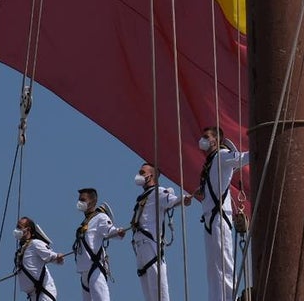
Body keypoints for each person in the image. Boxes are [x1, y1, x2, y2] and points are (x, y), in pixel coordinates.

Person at [183, 126, 249, 301]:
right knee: (213, 267)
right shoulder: (212, 161)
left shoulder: (221, 156)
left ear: (215, 140)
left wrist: (261, 147)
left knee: (224, 262)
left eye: (206, 136)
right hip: (210, 219)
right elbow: (212, 185)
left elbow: (243, 158)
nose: (202, 139)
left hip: (219, 217)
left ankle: (230, 298)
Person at [127, 162, 179, 301]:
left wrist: (184, 200)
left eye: (142, 172)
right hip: (139, 246)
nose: (139, 175)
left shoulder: (159, 192)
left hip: (151, 244)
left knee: (158, 289)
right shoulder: (143, 198)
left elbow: (172, 200)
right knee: (148, 292)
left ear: (151, 176)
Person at [73, 188, 124, 301]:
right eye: (79, 199)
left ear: (92, 202)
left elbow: (110, 230)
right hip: (84, 271)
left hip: (95, 269)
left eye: (82, 199)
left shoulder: (100, 217)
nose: (79, 202)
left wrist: (117, 232)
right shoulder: (85, 223)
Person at [14, 216, 63, 301]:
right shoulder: (21, 250)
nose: (16, 230)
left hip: (44, 291)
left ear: (27, 229)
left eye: (19, 227)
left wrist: (57, 257)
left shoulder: (35, 243)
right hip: (33, 295)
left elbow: (49, 255)